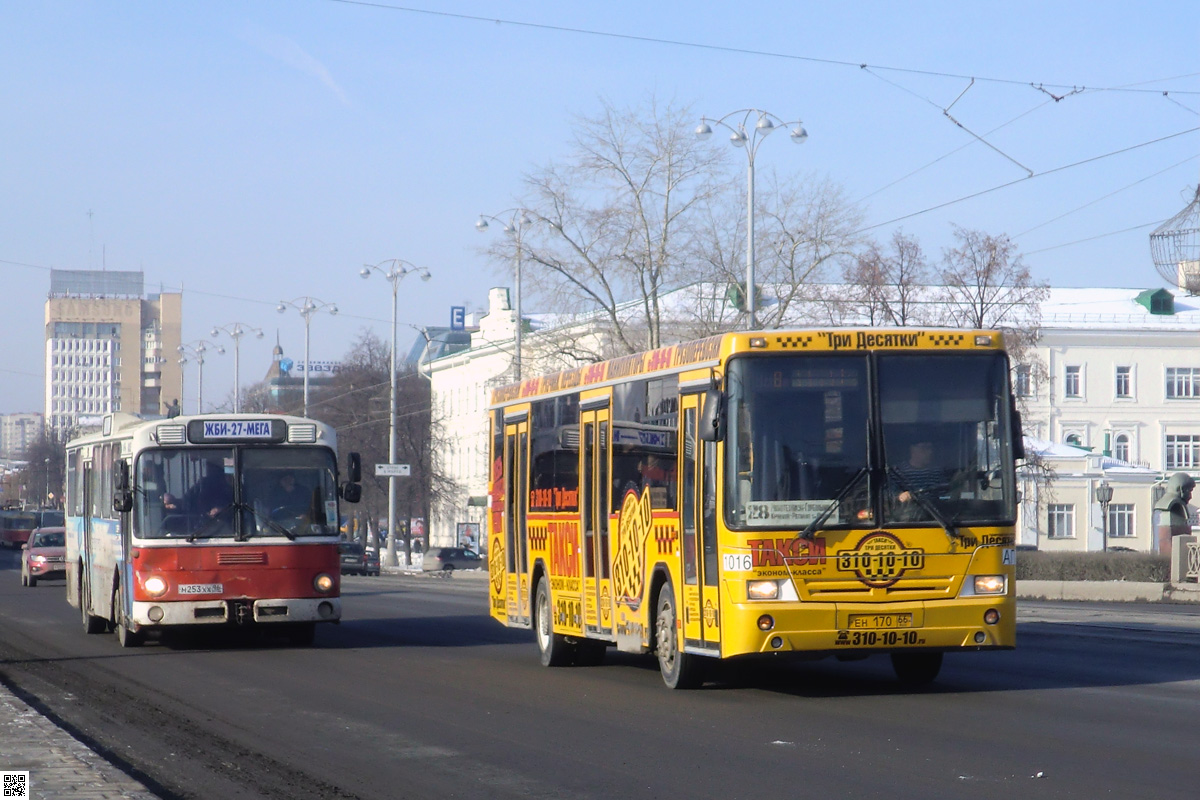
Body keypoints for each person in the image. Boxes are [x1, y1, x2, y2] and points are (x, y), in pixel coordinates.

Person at [892, 439, 945, 504]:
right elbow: (889, 495)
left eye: (931, 448)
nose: (930, 452)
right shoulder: (897, 471)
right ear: (912, 449)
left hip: (933, 512)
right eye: (924, 448)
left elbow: (944, 495)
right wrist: (900, 496)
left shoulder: (936, 472)